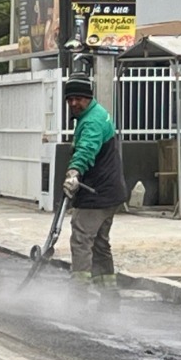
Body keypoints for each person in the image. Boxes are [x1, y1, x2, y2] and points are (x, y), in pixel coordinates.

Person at [62, 74, 127, 295]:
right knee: (100, 244)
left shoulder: (92, 121)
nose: (73, 103)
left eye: (79, 98)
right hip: (110, 192)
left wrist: (74, 172)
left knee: (81, 239)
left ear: (89, 98)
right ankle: (109, 295)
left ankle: (77, 295)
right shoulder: (97, 114)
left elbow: (87, 148)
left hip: (97, 194)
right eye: (70, 99)